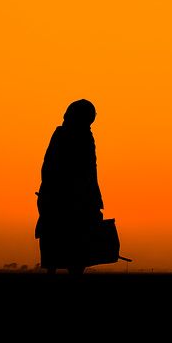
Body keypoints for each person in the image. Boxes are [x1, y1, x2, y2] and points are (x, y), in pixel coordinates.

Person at [35, 99, 105, 275]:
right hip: (66, 199)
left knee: (67, 245)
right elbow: (89, 171)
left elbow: (89, 171)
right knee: (65, 244)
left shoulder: (72, 136)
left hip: (68, 199)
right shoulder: (76, 137)